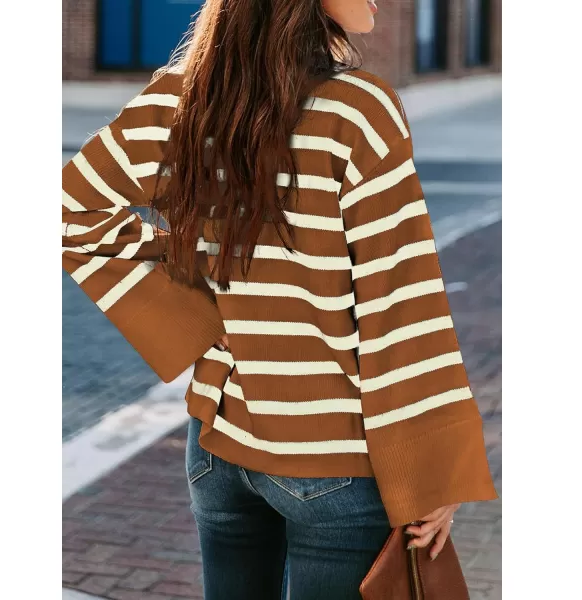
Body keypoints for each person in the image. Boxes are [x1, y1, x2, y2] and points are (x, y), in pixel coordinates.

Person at [62, 0, 498, 598]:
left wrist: (193, 290)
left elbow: (70, 211)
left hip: (218, 444)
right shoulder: (359, 112)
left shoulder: (179, 101)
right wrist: (432, 472)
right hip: (335, 459)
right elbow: (400, 300)